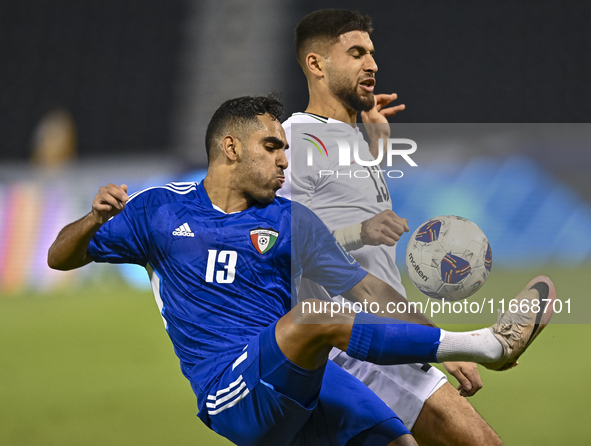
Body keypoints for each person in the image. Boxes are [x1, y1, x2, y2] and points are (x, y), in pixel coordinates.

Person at [47, 95, 555, 446]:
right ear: (230, 147)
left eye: (287, 150)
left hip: (303, 375)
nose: (284, 161)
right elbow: (60, 256)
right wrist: (93, 219)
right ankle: (486, 344)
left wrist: (433, 343)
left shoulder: (290, 220)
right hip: (231, 388)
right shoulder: (157, 209)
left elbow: (369, 291)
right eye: (272, 147)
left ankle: (471, 347)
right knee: (315, 318)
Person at [277, 9, 514, 445]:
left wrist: (375, 143)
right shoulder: (295, 141)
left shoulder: (352, 140)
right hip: (354, 348)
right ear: (316, 65)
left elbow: (361, 239)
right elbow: (282, 247)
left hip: (380, 338)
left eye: (372, 53)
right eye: (355, 53)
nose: (372, 64)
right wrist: (361, 233)